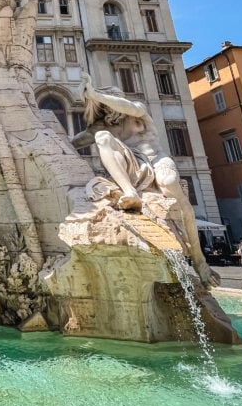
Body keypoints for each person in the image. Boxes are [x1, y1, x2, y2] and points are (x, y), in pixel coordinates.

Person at [77, 74, 219, 287]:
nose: (109, 108)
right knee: (102, 138)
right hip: (133, 166)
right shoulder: (102, 127)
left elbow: (129, 107)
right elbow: (75, 141)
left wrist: (96, 93)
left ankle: (199, 260)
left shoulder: (137, 110)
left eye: (109, 100)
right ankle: (130, 192)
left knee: (169, 182)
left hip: (157, 159)